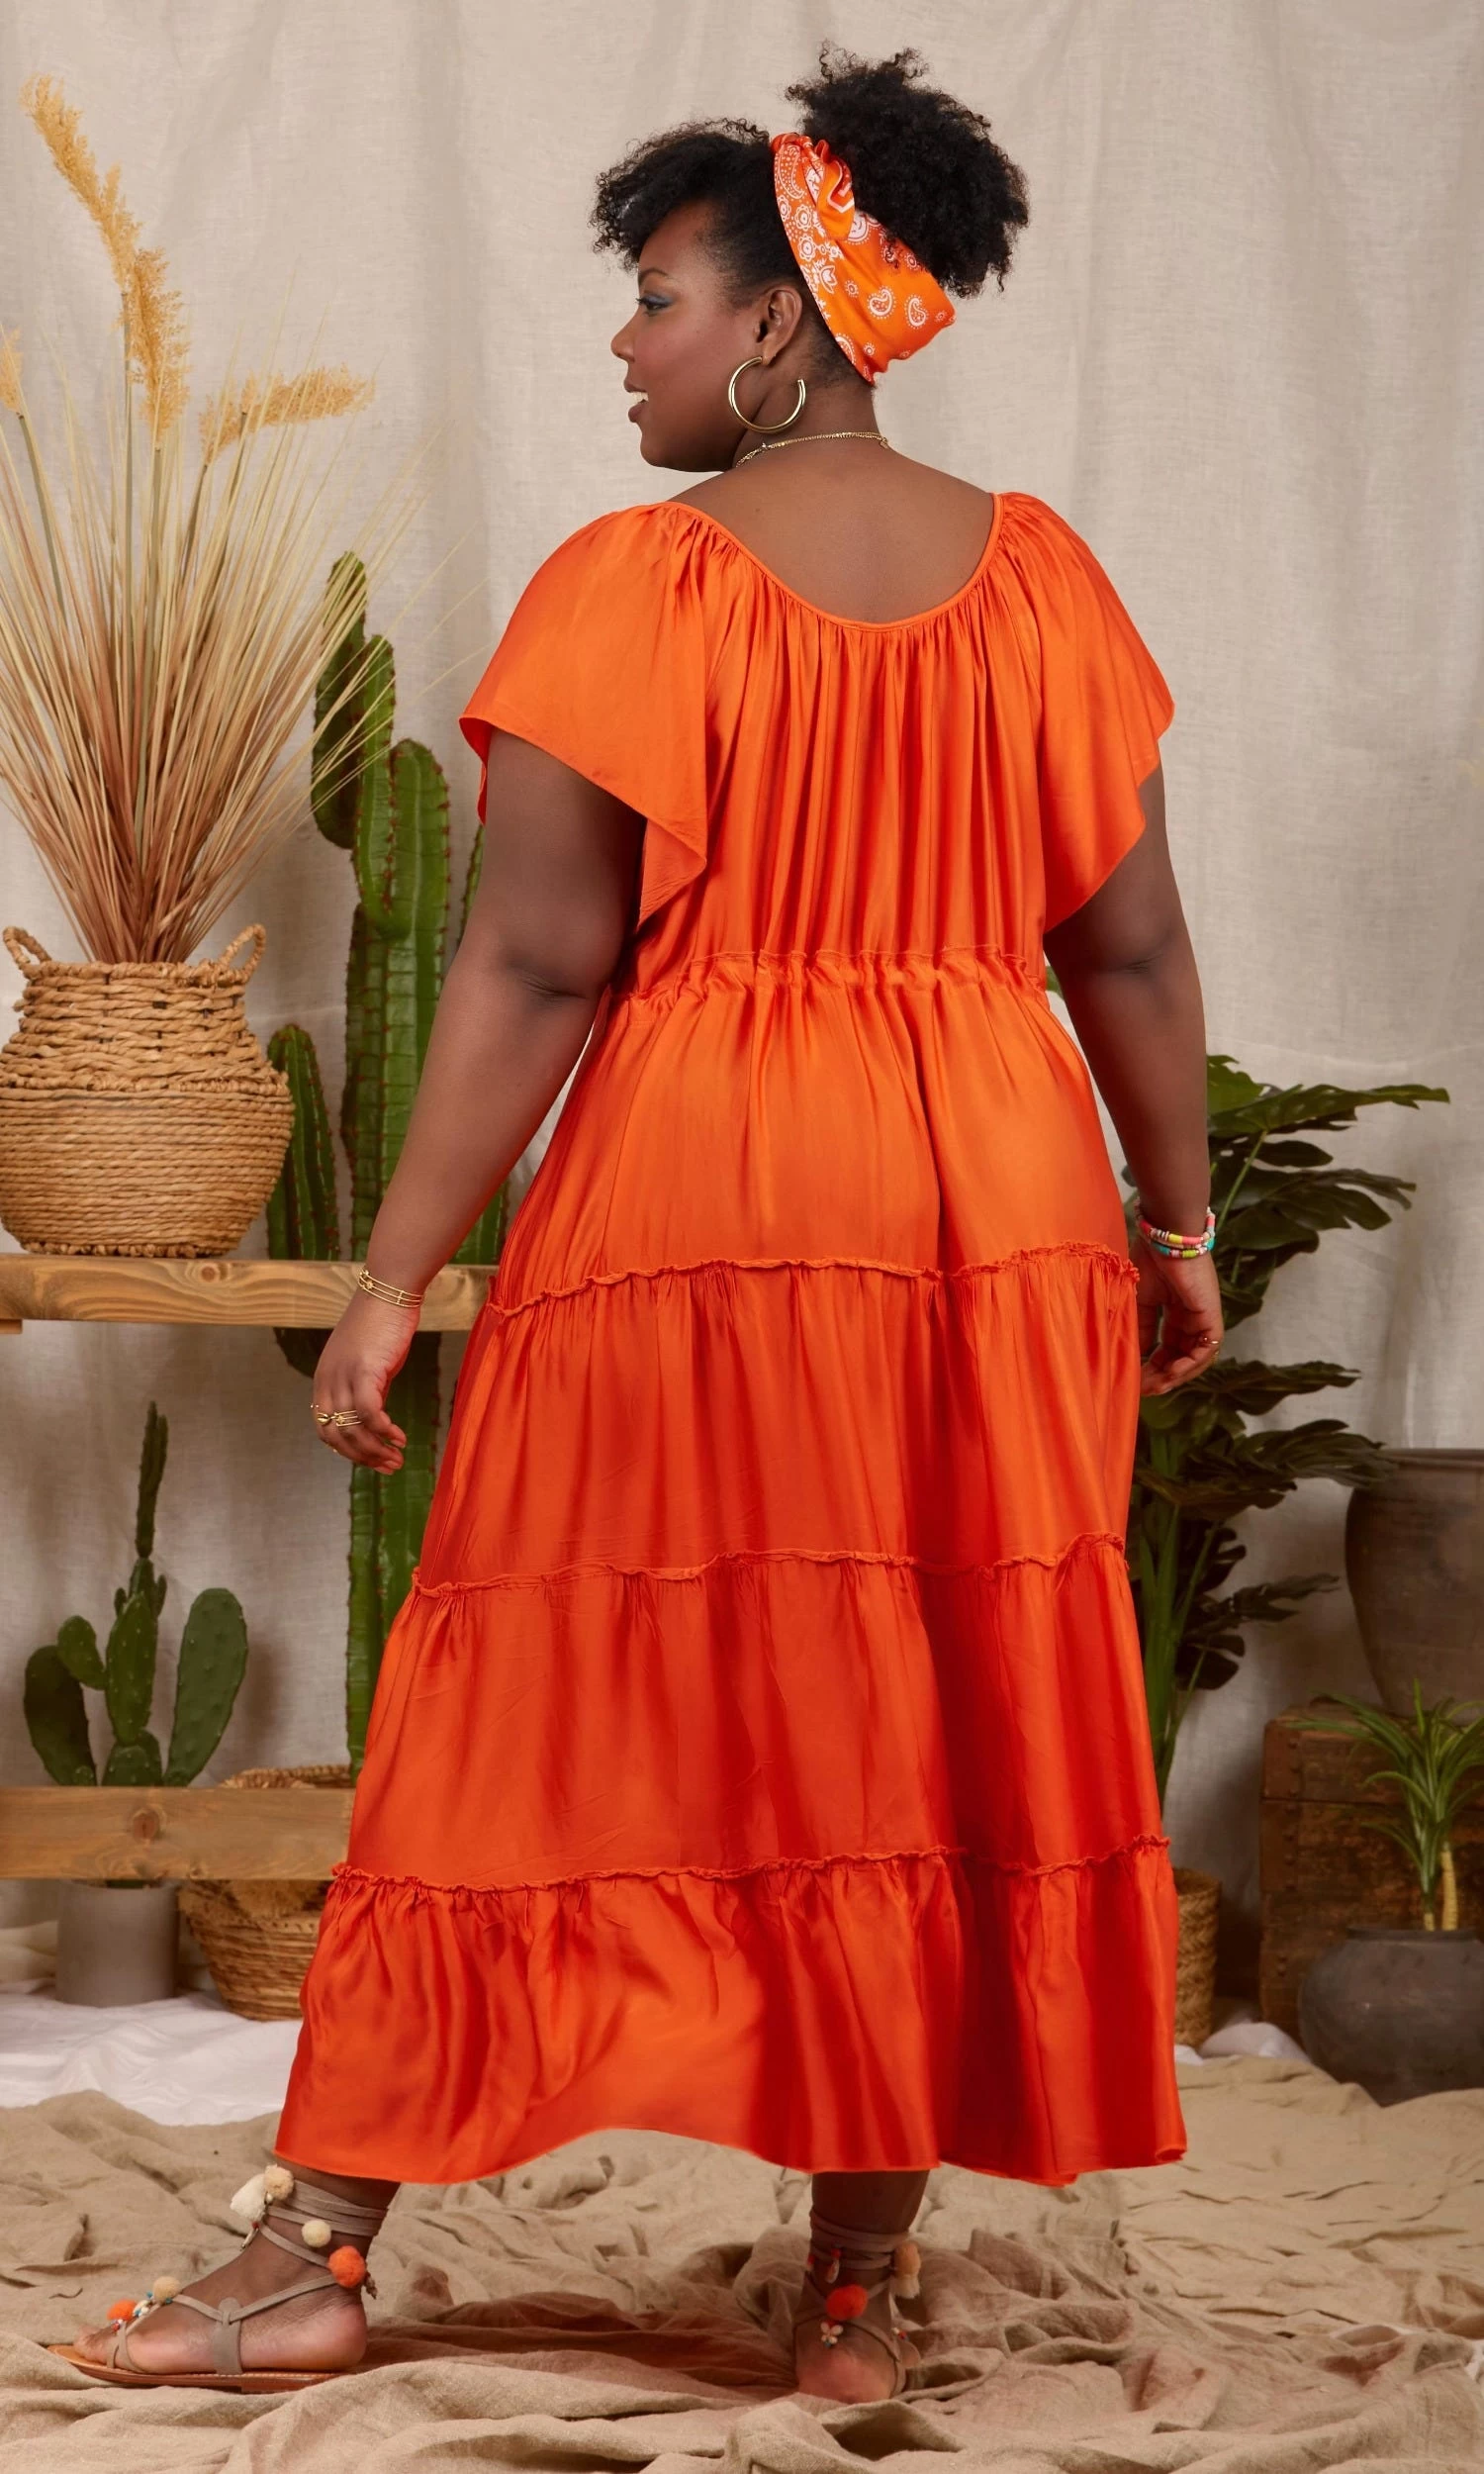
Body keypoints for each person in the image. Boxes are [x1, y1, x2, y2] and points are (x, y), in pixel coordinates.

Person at [66, 44, 1221, 2405]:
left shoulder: (644, 585)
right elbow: (1128, 948)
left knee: (530, 1686)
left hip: (714, 1180)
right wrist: (1178, 1224)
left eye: (665, 297)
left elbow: (530, 963)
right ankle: (857, 2287)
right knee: (919, 1707)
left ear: (783, 322)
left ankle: (316, 2246)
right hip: (995, 1195)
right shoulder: (1046, 585)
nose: (627, 341)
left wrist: (391, 1274)